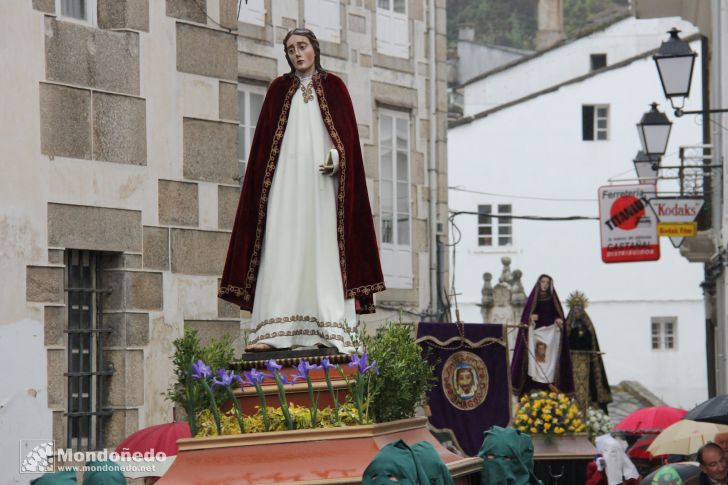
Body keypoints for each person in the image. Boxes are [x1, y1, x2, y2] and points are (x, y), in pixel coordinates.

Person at [218, 28, 385, 353]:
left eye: (303, 46)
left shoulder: (335, 88)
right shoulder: (278, 91)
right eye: (291, 48)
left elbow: (348, 143)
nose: (297, 53)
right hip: (284, 187)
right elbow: (262, 152)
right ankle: (273, 331)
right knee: (281, 246)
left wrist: (337, 159)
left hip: (323, 191)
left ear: (315, 50)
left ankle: (330, 328)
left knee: (321, 249)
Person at [510, 274, 574, 396]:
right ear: (538, 283)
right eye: (542, 282)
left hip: (550, 337)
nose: (544, 285)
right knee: (537, 361)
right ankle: (534, 386)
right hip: (535, 336)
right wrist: (530, 318)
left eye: (547, 283)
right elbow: (525, 319)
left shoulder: (552, 299)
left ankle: (548, 386)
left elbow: (557, 314)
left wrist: (558, 320)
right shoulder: (532, 299)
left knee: (548, 361)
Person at [565, 291, 613, 412]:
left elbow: (592, 341)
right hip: (571, 361)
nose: (577, 313)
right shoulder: (568, 325)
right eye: (575, 311)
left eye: (579, 311)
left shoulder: (587, 326)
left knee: (587, 387)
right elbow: (564, 341)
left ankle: (588, 408)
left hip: (586, 360)